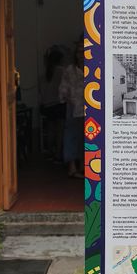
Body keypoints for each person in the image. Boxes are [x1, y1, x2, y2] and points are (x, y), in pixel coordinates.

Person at [59, 44, 84, 178]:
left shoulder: (94, 68)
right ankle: (72, 168)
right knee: (71, 136)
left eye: (84, 51)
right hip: (73, 107)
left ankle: (83, 167)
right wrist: (68, 99)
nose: (81, 54)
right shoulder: (70, 70)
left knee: (85, 137)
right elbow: (63, 88)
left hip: (89, 108)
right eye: (79, 52)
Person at [39, 46, 65, 162]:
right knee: (59, 130)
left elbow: (41, 91)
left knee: (50, 130)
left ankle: (50, 152)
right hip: (58, 104)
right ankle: (58, 154)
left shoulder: (43, 74)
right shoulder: (62, 71)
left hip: (47, 105)